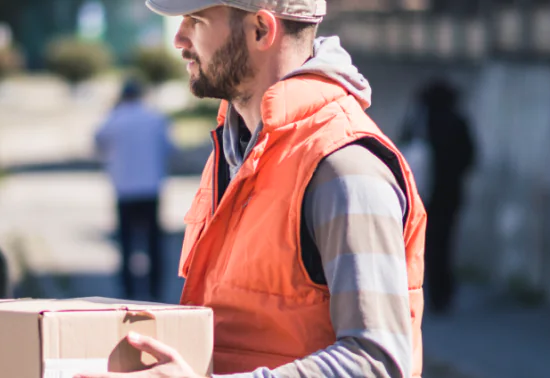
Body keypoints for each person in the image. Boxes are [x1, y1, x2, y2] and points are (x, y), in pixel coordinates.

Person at [78, 1, 427, 378]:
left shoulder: (344, 168)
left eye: (194, 21)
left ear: (260, 29)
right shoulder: (236, 153)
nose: (178, 40)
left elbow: (378, 364)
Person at [94, 78, 175, 301]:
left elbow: (97, 141)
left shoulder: (115, 118)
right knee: (153, 243)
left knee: (127, 244)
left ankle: (128, 291)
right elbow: (170, 147)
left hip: (125, 188)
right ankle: (155, 289)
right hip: (150, 187)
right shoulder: (155, 118)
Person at [401, 78, 476, 314]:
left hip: (422, 193)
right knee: (445, 243)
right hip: (449, 194)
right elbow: (471, 156)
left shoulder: (420, 122)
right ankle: (443, 293)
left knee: (422, 244)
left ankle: (424, 291)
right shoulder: (457, 121)